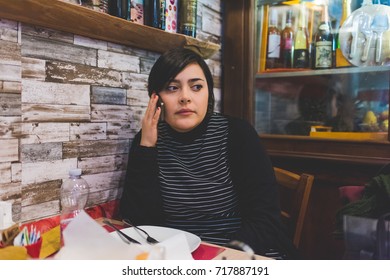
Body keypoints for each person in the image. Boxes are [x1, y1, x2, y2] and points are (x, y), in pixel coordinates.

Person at [120, 47, 299, 259]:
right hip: (179, 259)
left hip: (240, 254)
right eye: (172, 87)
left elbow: (265, 220)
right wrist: (147, 148)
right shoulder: (148, 139)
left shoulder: (237, 134)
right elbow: (138, 223)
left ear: (208, 93)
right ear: (156, 97)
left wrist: (221, 260)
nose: (185, 97)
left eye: (196, 87)